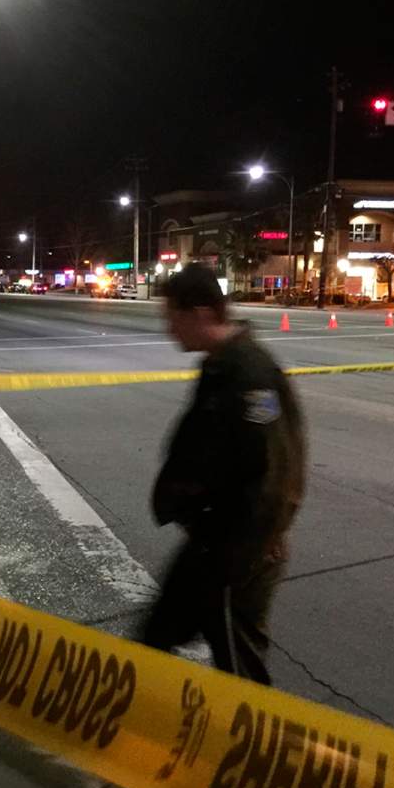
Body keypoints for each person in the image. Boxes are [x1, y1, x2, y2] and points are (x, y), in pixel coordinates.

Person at [144, 264, 305, 684]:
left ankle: (250, 731)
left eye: (172, 318)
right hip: (211, 539)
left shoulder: (249, 374)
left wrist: (245, 554)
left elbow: (274, 472)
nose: (169, 330)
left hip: (238, 549)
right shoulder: (220, 366)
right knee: (154, 641)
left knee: (239, 669)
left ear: (200, 313)